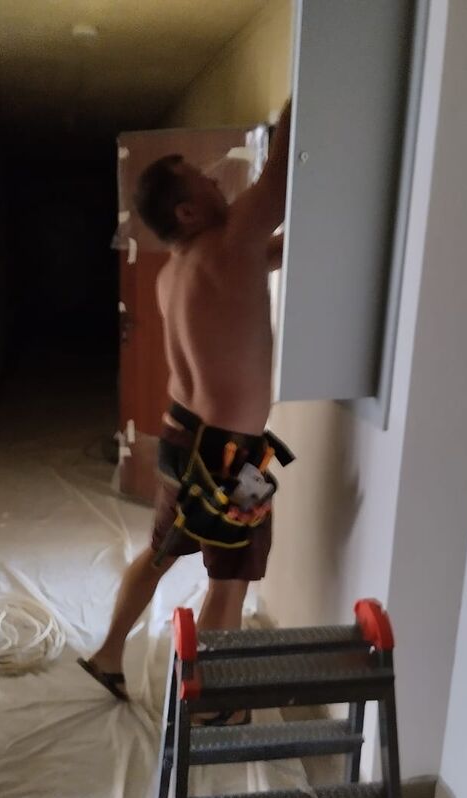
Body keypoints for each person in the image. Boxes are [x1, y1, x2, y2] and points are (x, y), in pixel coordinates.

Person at [78, 101, 292, 714]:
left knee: (162, 551)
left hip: (182, 438)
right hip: (230, 457)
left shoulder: (175, 271)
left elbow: (263, 255)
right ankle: (216, 700)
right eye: (205, 180)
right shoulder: (230, 243)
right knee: (233, 577)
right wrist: (302, 91)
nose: (219, 182)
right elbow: (280, 175)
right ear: (188, 211)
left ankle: (107, 655)